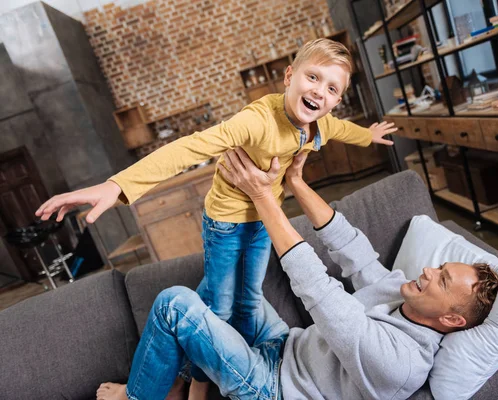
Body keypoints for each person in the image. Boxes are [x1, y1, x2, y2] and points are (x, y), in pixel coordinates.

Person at [35, 39, 397, 396]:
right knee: (219, 306)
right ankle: (191, 386)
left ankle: (190, 377)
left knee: (249, 301)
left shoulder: (321, 125)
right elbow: (190, 147)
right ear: (290, 76)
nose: (319, 92)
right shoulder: (257, 121)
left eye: (332, 88)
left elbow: (346, 130)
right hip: (225, 221)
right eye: (313, 77)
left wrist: (369, 135)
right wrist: (118, 186)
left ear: (336, 100)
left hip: (261, 222)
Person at [96, 148, 498, 400]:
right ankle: (185, 384)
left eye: (443, 280)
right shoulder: (402, 292)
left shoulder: (402, 365)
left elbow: (319, 292)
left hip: (271, 388)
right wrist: (294, 181)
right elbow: (352, 249)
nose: (430, 271)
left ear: (451, 319)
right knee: (230, 280)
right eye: (442, 267)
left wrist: (261, 195)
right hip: (284, 345)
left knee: (174, 304)